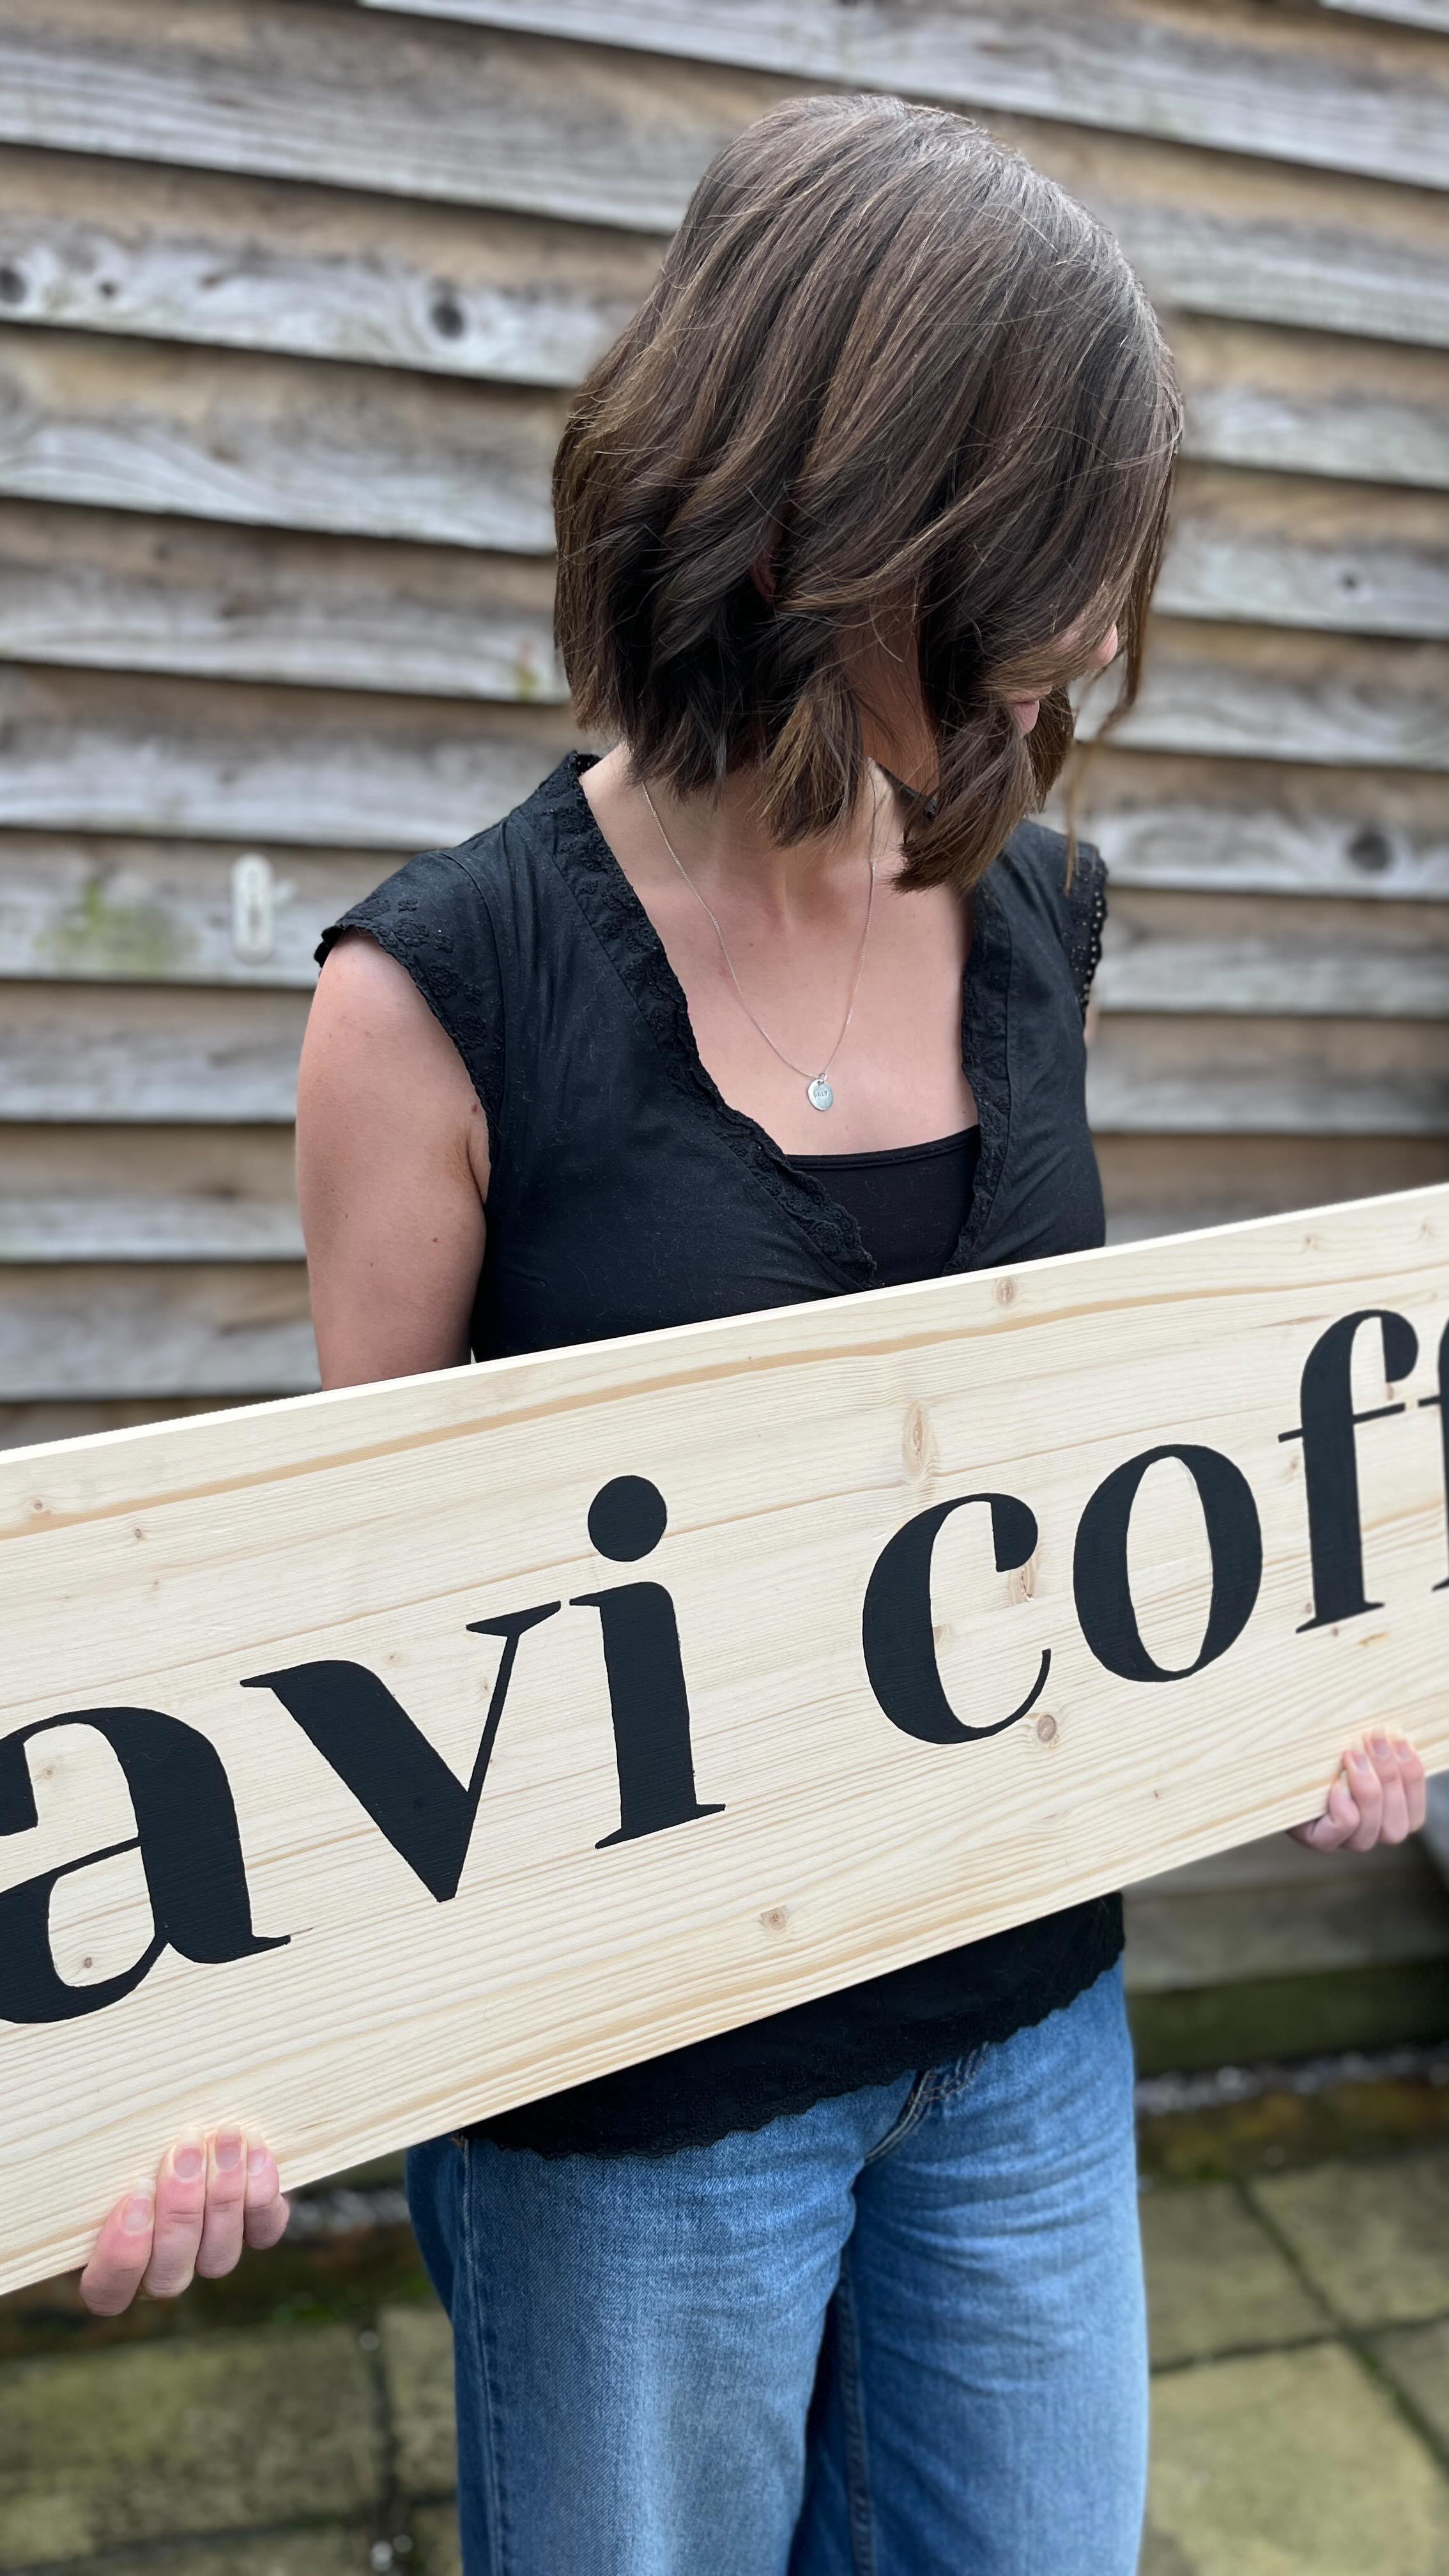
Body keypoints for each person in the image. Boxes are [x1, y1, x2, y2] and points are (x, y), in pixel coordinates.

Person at [79, 95, 1428, 2575]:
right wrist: (191, 2070)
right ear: (832, 523)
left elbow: (1062, 1461)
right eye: (1040, 570)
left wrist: (1309, 1686)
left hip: (1027, 2019)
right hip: (632, 2113)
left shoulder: (1037, 922)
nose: (1085, 647)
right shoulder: (434, 998)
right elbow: (346, 1621)